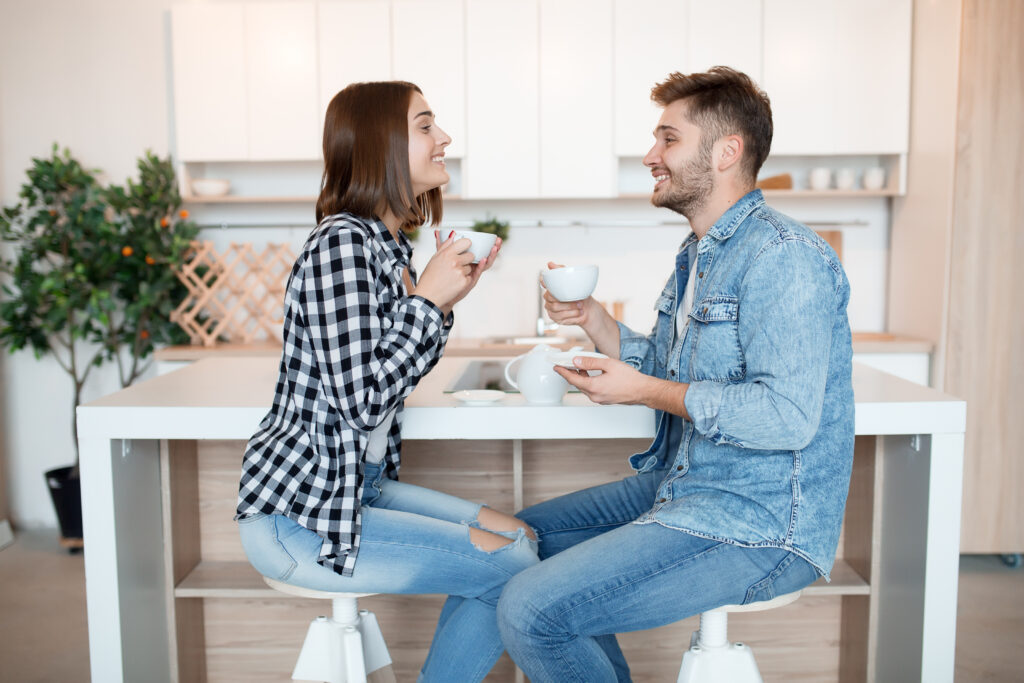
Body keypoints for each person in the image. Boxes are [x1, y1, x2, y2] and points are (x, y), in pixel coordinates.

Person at [496, 66, 855, 682]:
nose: (649, 156)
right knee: (514, 543)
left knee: (533, 610)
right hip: (685, 485)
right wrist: (595, 322)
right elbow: (669, 368)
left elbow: (787, 418)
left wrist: (645, 391)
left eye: (668, 139)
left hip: (759, 522)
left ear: (725, 152)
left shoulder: (785, 259)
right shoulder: (699, 255)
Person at [235, 81, 538, 683]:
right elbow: (363, 400)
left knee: (522, 538)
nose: (444, 138)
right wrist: (428, 299)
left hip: (357, 487)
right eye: (425, 125)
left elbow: (393, 372)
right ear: (380, 145)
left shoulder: (384, 247)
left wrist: (442, 302)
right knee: (511, 563)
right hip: (304, 514)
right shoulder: (341, 245)